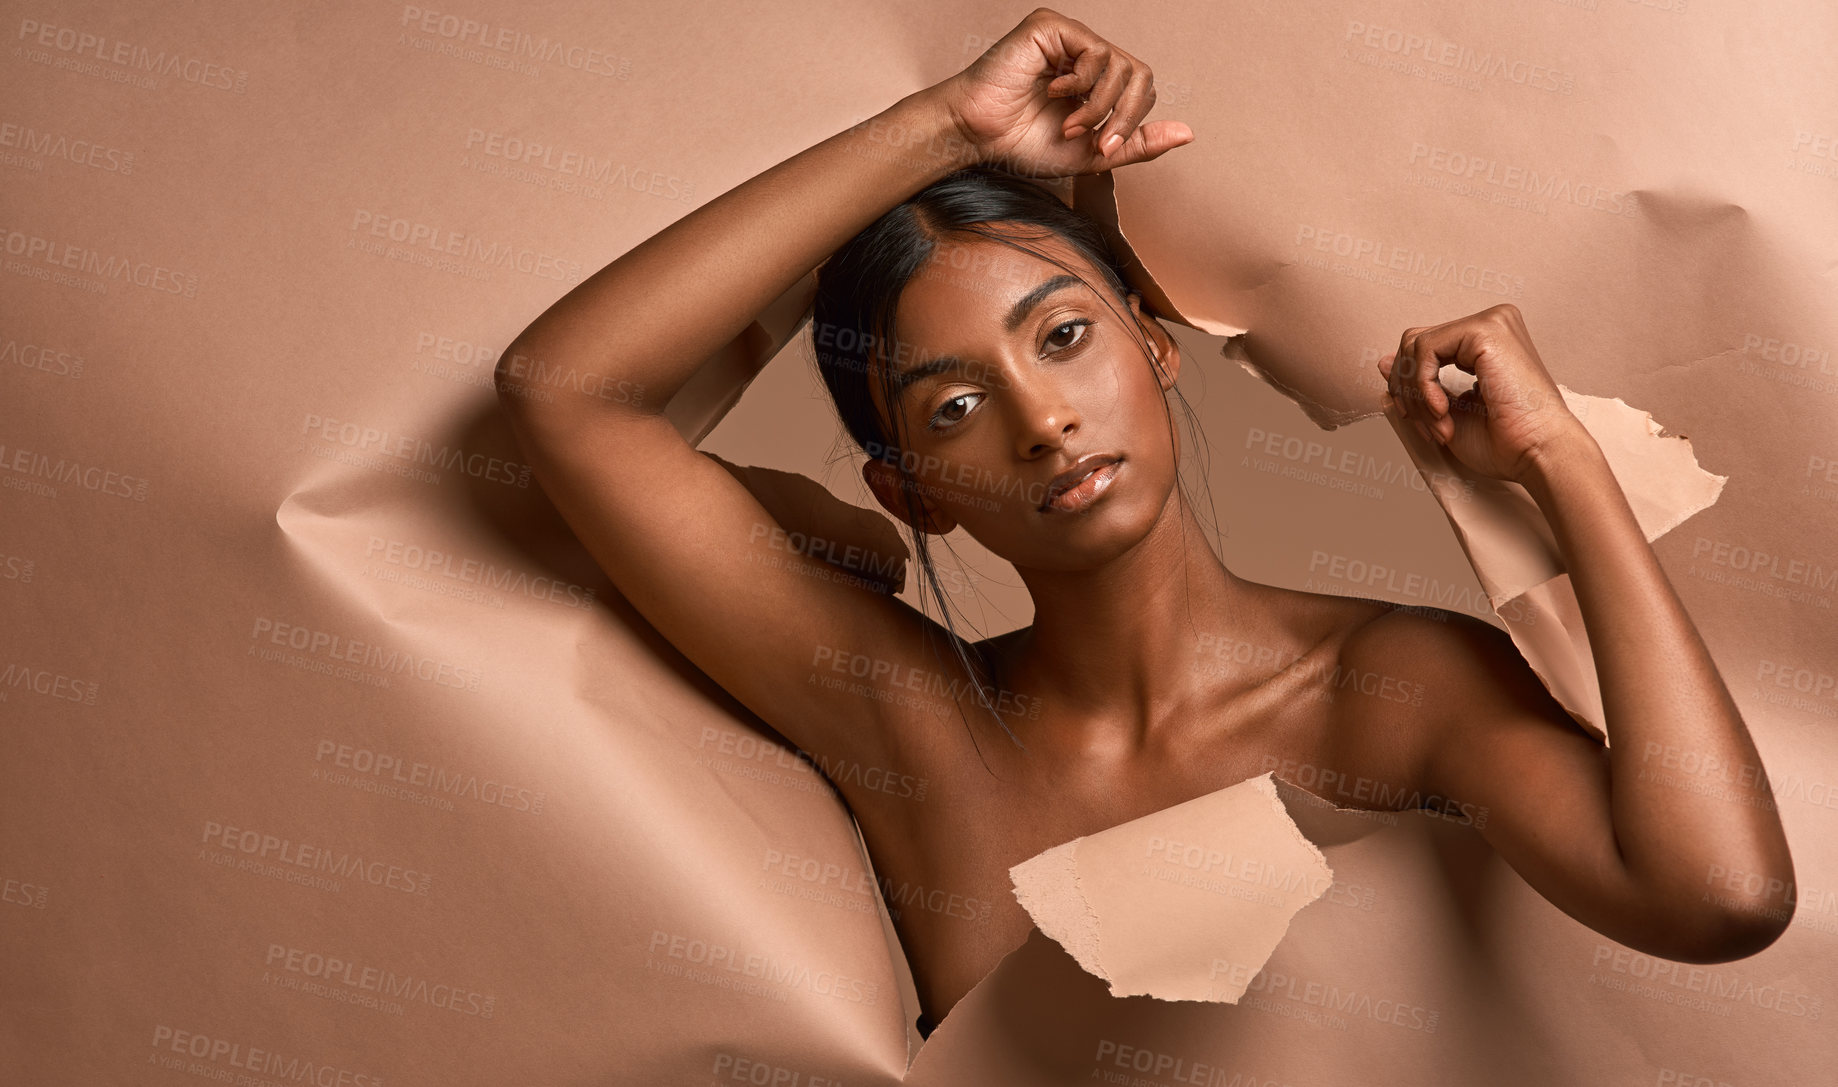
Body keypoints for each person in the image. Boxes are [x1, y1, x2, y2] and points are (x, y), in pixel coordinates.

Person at [494, 6, 1794, 1037]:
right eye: (951, 410)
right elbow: (567, 395)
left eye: (1063, 339)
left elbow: (1718, 898)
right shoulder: (914, 727)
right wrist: (947, 123)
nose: (1041, 422)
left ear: (1155, 351)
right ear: (906, 491)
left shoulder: (1384, 684)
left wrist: (1561, 463)